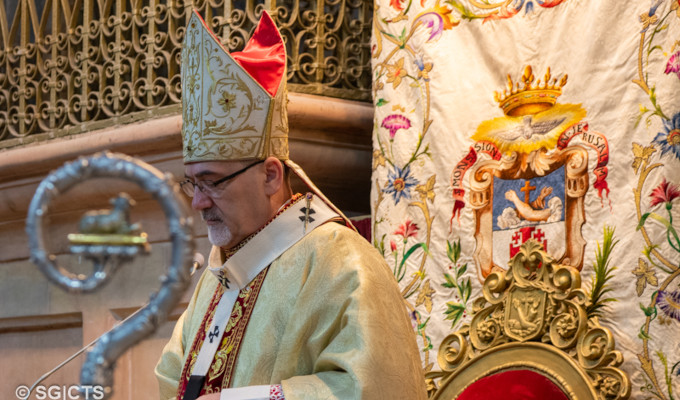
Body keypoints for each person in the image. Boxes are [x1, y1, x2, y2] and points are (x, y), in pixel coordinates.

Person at [155, 9, 427, 400]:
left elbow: (371, 387)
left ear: (270, 175)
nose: (198, 202)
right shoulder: (220, 273)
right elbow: (171, 377)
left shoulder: (341, 262)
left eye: (213, 182)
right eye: (192, 182)